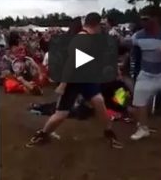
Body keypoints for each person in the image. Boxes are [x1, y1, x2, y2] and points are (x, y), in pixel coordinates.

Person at [25, 12, 123, 149]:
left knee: (99, 102)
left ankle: (108, 132)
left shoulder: (92, 38)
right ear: (96, 25)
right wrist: (63, 85)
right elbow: (71, 64)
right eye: (100, 25)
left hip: (86, 79)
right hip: (73, 80)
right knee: (61, 114)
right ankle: (43, 134)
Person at [130, 6, 161, 140]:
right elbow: (127, 46)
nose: (143, 22)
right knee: (139, 100)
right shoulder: (138, 36)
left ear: (155, 19)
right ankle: (143, 128)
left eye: (146, 19)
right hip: (146, 74)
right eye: (141, 19)